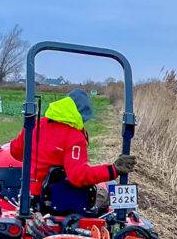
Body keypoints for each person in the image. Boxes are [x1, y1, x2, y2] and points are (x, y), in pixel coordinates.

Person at [8, 88, 136, 207]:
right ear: (81, 114)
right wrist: (113, 170)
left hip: (28, 196)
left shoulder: (35, 125)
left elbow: (15, 151)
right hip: (56, 200)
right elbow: (78, 176)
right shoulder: (74, 136)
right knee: (107, 192)